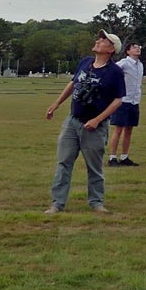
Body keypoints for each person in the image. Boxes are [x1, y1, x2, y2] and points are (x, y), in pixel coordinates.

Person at [45, 31, 128, 214]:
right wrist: (57, 103)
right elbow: (73, 83)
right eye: (99, 39)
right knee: (63, 163)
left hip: (95, 127)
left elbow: (118, 100)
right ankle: (57, 203)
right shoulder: (85, 62)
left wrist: (98, 119)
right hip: (72, 122)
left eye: (103, 40)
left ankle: (96, 202)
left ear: (111, 49)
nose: (98, 41)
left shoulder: (115, 72)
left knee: (94, 167)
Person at [106, 41, 145, 166]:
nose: (138, 49)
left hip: (134, 101)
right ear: (128, 51)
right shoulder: (124, 63)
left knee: (129, 130)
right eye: (134, 47)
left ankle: (124, 157)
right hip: (123, 100)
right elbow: (111, 71)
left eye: (139, 47)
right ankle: (112, 157)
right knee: (118, 129)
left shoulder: (140, 65)